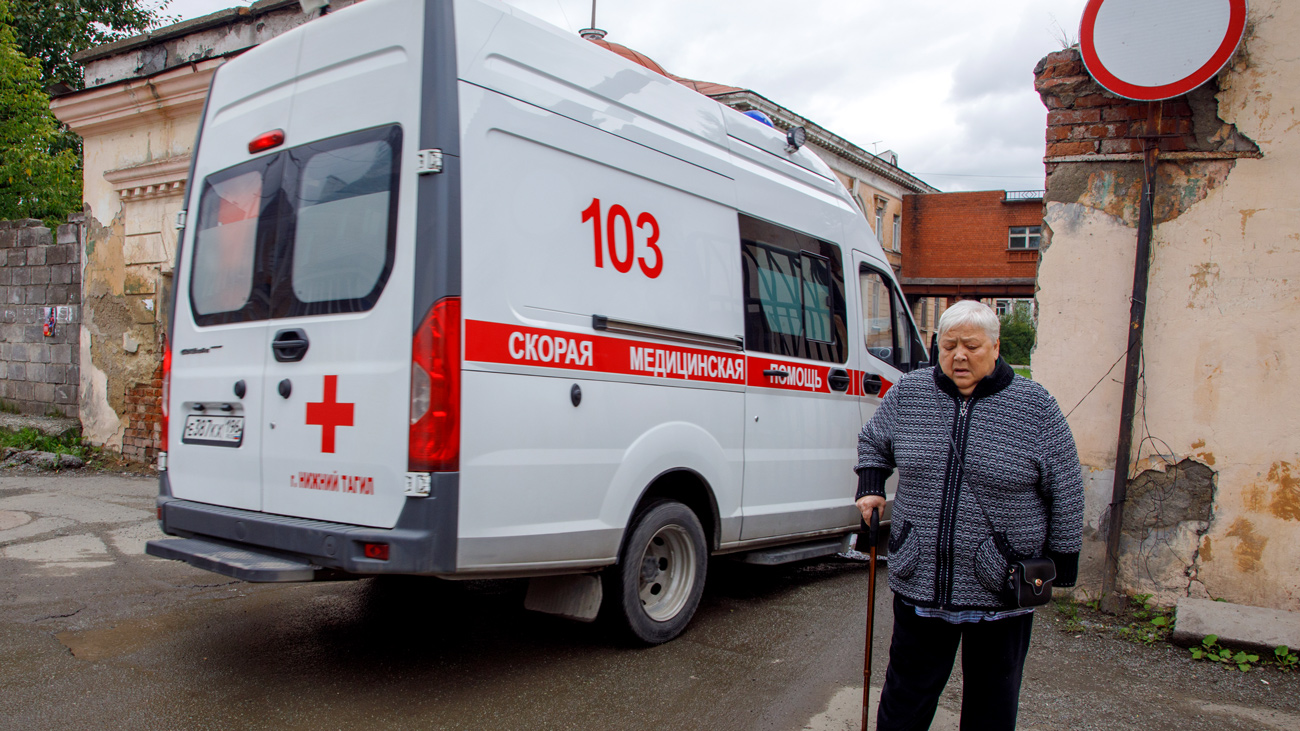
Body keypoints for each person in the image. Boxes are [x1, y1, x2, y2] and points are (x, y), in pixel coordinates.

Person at [854, 300, 1083, 731]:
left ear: (996, 348)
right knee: (906, 696)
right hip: (921, 575)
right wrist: (870, 486)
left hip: (1000, 585)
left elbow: (1066, 484)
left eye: (972, 346)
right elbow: (874, 440)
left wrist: (1062, 558)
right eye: (949, 345)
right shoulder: (911, 392)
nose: (959, 356)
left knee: (992, 705)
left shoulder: (1035, 406)